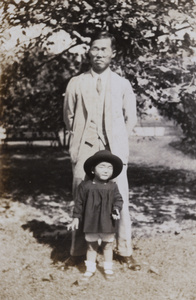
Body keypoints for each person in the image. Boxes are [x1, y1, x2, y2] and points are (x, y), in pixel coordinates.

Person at [63, 30, 140, 271]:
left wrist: (118, 142)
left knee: (121, 200)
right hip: (85, 149)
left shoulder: (122, 84)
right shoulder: (76, 83)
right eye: (95, 48)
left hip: (114, 150)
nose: (98, 54)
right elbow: (69, 117)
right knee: (80, 197)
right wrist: (80, 142)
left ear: (113, 54)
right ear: (89, 52)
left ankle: (125, 250)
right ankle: (76, 253)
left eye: (104, 49)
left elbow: (131, 118)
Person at [67, 150, 123, 281]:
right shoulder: (85, 186)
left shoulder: (113, 186)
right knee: (91, 246)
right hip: (90, 222)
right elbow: (79, 202)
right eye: (102, 166)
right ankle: (90, 269)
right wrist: (76, 218)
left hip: (107, 221)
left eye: (109, 167)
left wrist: (116, 209)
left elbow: (118, 200)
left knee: (108, 245)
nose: (106, 170)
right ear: (93, 170)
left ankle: (108, 269)